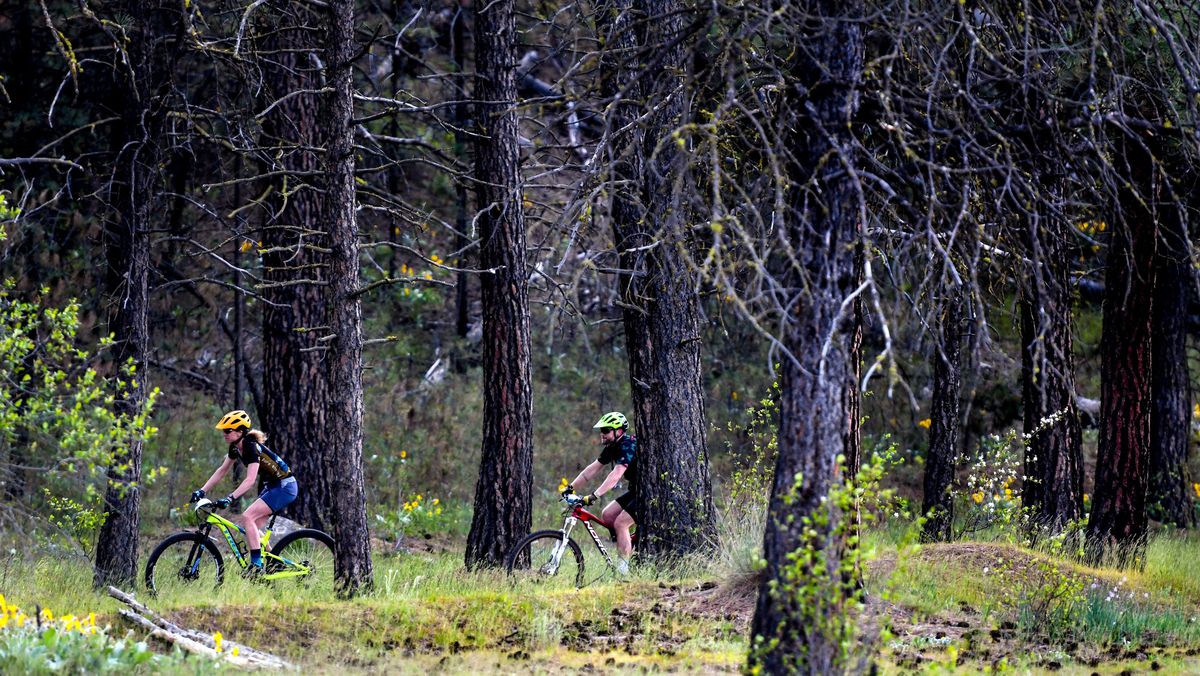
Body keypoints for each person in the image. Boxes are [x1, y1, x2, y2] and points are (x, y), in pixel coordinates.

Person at [191, 410, 297, 573]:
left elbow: (250, 480)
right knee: (252, 526)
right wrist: (202, 491)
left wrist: (230, 498)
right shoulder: (235, 447)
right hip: (274, 486)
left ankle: (256, 564)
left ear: (240, 432)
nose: (224, 434)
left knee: (247, 516)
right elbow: (222, 470)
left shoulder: (250, 446)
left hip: (285, 486)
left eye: (228, 431)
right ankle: (273, 562)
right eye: (223, 431)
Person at [565, 411, 637, 576]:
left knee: (621, 523)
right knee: (608, 515)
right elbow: (591, 470)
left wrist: (593, 496)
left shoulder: (628, 444)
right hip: (635, 490)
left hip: (648, 493)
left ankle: (623, 573)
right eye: (601, 430)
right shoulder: (612, 447)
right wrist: (570, 488)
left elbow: (616, 475)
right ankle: (627, 544)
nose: (602, 434)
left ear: (618, 431)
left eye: (605, 430)